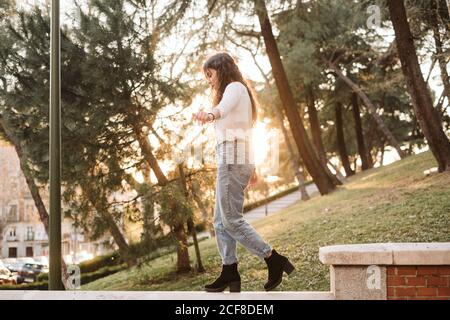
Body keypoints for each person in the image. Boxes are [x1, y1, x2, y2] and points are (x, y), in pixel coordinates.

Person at [192, 52, 295, 292]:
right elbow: (245, 131)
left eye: (210, 74)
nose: (209, 80)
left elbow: (222, 110)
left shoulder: (234, 87)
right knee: (219, 221)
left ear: (221, 69)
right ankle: (230, 272)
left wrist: (209, 114)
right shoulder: (239, 91)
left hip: (233, 156)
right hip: (238, 156)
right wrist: (253, 167)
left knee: (231, 220)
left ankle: (273, 258)